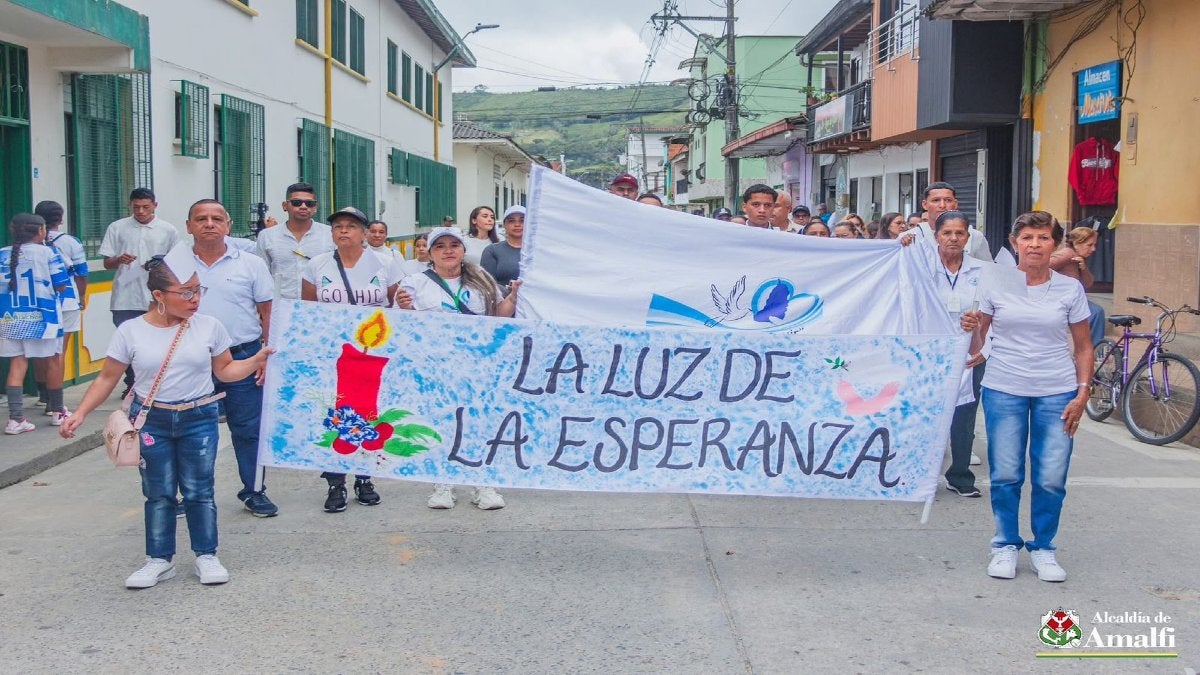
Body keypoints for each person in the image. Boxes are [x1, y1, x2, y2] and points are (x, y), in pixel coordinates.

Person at [59, 248, 273, 588]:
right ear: (158, 295)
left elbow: (227, 371)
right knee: (158, 492)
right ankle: (158, 560)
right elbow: (106, 377)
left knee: (199, 490)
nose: (194, 299)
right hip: (151, 420)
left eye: (197, 290)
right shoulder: (131, 331)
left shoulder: (209, 327)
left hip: (199, 416)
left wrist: (256, 360)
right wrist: (80, 413)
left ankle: (206, 555)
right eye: (185, 292)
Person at [960, 210, 1092, 582]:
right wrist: (970, 329)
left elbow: (1083, 347)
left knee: (1051, 475)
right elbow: (979, 345)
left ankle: (1044, 548)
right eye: (1028, 238)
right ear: (1014, 242)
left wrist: (1082, 393)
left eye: (1043, 238)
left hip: (1057, 389)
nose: (1035, 245)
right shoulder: (995, 283)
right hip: (1004, 388)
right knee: (1005, 473)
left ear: (1055, 244)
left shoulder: (1069, 288)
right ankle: (1004, 545)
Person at [400, 228, 519, 511]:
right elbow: (405, 329)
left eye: (454, 245)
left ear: (463, 251)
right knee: (442, 422)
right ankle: (443, 482)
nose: (448, 250)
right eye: (440, 246)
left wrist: (513, 297)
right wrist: (404, 311)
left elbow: (499, 315)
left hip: (478, 365)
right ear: (429, 253)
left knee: (479, 422)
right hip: (436, 367)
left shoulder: (481, 280)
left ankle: (483, 482)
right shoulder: (414, 283)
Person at [302, 207, 404, 513]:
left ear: (364, 233)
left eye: (351, 226)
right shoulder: (317, 265)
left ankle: (364, 478)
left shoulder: (385, 263)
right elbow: (308, 309)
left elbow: (398, 306)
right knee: (336, 413)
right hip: (334, 354)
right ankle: (335, 482)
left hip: (372, 353)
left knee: (368, 412)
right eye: (338, 227)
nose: (344, 231)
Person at [188, 199, 278, 518]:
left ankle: (254, 491)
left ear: (227, 225)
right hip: (191, 360)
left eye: (216, 218)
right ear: (189, 226)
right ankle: (192, 495)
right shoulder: (175, 264)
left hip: (243, 355)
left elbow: (267, 311)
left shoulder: (250, 264)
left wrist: (266, 355)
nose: (209, 224)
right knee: (192, 430)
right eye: (201, 219)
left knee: (248, 428)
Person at [98, 188, 179, 396]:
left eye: (145, 207)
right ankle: (132, 385)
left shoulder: (167, 230)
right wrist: (118, 260)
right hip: (125, 296)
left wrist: (159, 264)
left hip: (157, 294)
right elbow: (107, 262)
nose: (141, 211)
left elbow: (178, 261)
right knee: (128, 342)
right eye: (136, 207)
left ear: (154, 205)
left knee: (157, 340)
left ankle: (155, 384)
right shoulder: (117, 227)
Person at [929, 211, 987, 499]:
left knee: (964, 416)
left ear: (968, 237)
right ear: (937, 236)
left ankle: (960, 475)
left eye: (959, 233)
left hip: (969, 354)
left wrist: (981, 338)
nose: (953, 238)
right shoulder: (922, 268)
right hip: (929, 354)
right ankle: (921, 473)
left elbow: (995, 313)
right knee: (926, 412)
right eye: (947, 233)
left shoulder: (982, 271)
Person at [1, 214, 70, 434]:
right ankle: (58, 412)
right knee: (52, 360)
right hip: (44, 317)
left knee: (18, 363)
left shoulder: (3, 254)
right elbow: (61, 285)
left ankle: (16, 419)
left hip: (11, 318)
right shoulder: (49, 253)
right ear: (41, 230)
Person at [34, 201, 88, 420]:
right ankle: (56, 403)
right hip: (65, 300)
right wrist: (82, 296)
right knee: (58, 352)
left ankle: (43, 394)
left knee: (39, 349)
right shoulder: (71, 242)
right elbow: (82, 273)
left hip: (39, 301)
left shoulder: (29, 242)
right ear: (61, 218)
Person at [255, 182, 334, 300]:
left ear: (315, 207)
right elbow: (261, 275)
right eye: (296, 203)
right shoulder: (267, 236)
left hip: (320, 306)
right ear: (285, 206)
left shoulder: (330, 235)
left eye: (309, 203)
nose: (303, 206)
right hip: (280, 306)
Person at [1050, 227, 1105, 345]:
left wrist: (1083, 268)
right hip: (1060, 300)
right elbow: (1041, 267)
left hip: (1074, 299)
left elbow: (1088, 284)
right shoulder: (1067, 254)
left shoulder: (1079, 258)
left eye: (1094, 245)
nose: (1093, 249)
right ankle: (1093, 351)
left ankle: (1094, 350)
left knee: (1096, 312)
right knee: (1095, 312)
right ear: (1076, 243)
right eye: (1089, 245)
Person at [918, 182, 991, 261]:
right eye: (936, 200)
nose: (942, 205)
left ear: (955, 204)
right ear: (924, 204)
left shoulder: (975, 237)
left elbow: (988, 270)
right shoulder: (913, 237)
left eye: (948, 200)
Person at [481, 205, 524, 290]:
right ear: (504, 225)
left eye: (522, 221)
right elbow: (487, 284)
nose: (517, 224)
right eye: (511, 221)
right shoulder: (492, 250)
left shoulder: (538, 251)